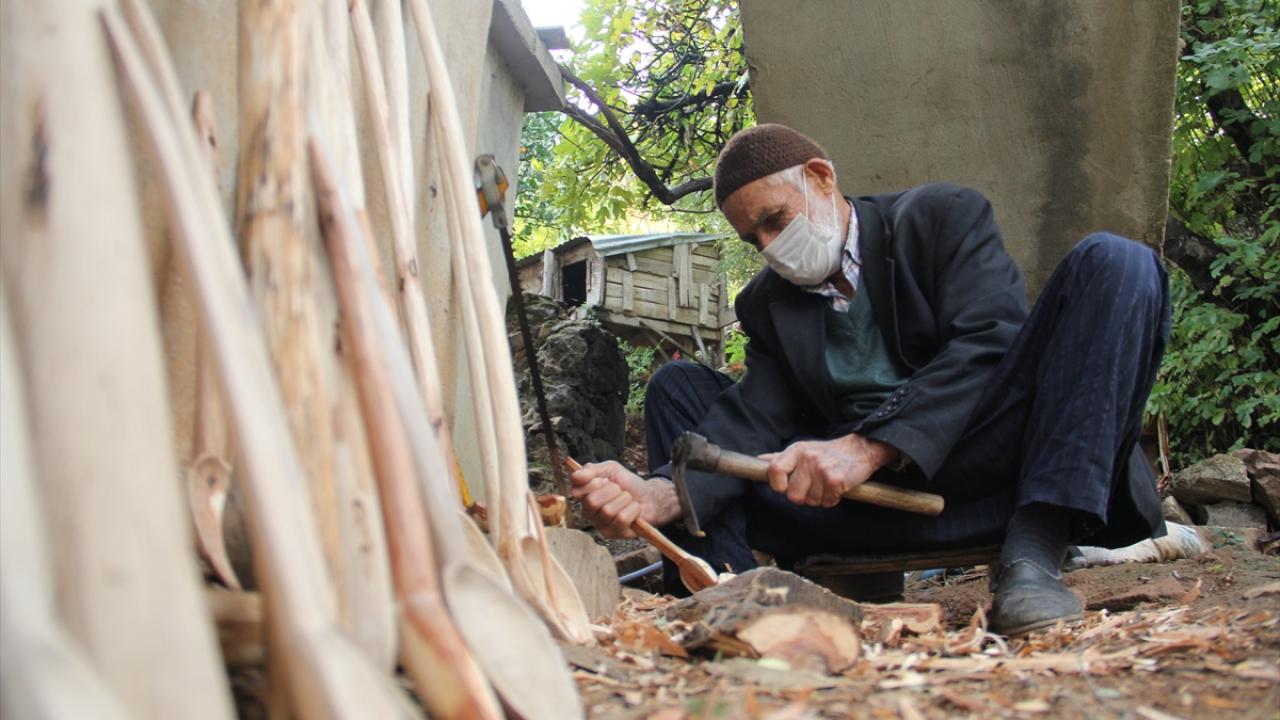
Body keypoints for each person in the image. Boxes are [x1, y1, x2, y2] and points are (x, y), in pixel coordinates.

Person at [569, 124, 1170, 636]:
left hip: (991, 465)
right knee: (680, 389)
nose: (771, 248)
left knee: (1117, 262)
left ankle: (1034, 557)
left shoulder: (942, 218)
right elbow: (755, 415)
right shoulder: (768, 303)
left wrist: (865, 447)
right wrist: (660, 493)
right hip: (855, 504)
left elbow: (988, 344)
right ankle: (733, 600)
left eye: (776, 220)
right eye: (754, 238)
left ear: (821, 177)